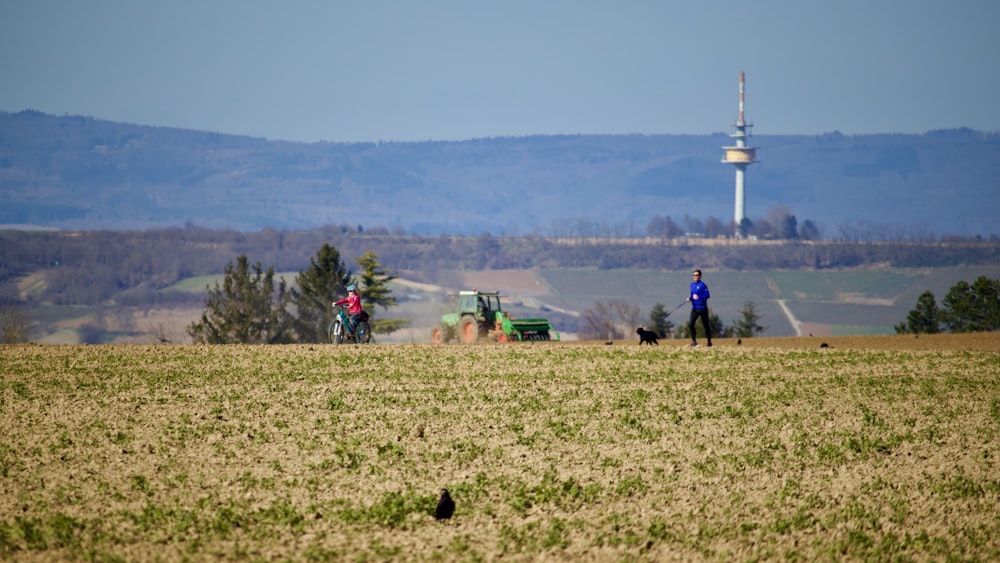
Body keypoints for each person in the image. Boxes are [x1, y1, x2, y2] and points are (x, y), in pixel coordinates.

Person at [687, 269, 712, 347]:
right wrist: (690, 298)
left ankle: (709, 342)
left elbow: (707, 295)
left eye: (697, 275)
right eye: (694, 275)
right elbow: (692, 295)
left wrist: (699, 297)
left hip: (702, 308)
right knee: (691, 324)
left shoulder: (703, 285)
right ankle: (694, 341)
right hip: (694, 308)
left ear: (700, 276)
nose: (695, 277)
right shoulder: (692, 285)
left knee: (706, 325)